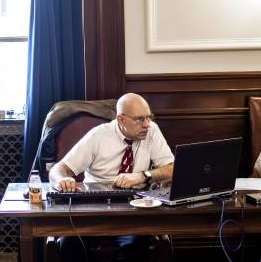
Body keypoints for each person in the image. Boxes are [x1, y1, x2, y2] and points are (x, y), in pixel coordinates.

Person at [49, 92, 174, 261]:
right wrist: (62, 180)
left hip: (134, 207)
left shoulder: (151, 130)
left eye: (148, 117)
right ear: (121, 119)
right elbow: (59, 169)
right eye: (139, 119)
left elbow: (173, 168)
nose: (147, 124)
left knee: (136, 246)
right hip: (94, 207)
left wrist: (143, 175)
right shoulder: (98, 135)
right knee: (70, 244)